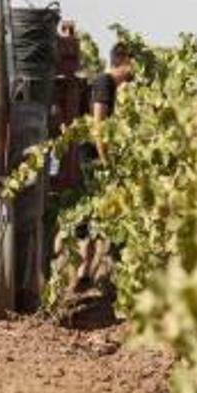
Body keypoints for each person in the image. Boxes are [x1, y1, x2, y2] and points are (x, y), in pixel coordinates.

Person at [75, 42, 134, 289]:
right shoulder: (104, 83)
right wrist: (106, 162)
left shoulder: (110, 85)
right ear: (126, 62)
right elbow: (98, 127)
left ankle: (88, 273)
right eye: (134, 64)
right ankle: (83, 272)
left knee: (97, 214)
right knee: (91, 213)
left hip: (95, 157)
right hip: (91, 157)